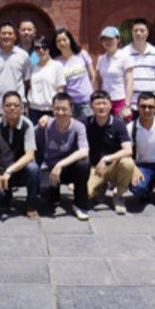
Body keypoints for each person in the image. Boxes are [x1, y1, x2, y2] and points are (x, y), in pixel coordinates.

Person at [36, 93, 91, 221]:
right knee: (44, 190)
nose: (60, 112)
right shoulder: (47, 124)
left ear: (71, 109)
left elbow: (84, 152)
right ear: (52, 109)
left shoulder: (78, 127)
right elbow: (28, 133)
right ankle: (54, 195)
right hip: (50, 167)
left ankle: (79, 205)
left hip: (69, 168)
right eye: (57, 109)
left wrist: (60, 164)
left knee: (84, 165)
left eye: (64, 109)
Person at [0, 92, 41, 220]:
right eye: (8, 105)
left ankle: (31, 204)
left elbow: (29, 155)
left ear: (21, 107)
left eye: (16, 105)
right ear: (3, 108)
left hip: (21, 170)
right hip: (2, 169)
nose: (12, 108)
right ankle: (5, 197)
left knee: (33, 168)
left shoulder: (27, 125)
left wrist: (10, 171)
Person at [85, 90, 135, 215]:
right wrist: (47, 118)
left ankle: (118, 196)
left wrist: (106, 159)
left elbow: (128, 150)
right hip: (94, 168)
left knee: (127, 162)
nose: (101, 107)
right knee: (84, 195)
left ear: (110, 105)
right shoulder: (84, 123)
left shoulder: (118, 124)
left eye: (104, 103)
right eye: (97, 104)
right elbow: (66, 122)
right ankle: (100, 188)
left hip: (113, 166)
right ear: (91, 106)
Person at [0, 21, 32, 122]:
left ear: (15, 36)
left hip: (18, 106)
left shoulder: (23, 56)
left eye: (10, 33)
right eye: (3, 33)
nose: (6, 36)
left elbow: (26, 82)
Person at [123, 18, 155, 121]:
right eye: (135, 30)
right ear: (132, 32)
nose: (138, 33)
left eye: (142, 30)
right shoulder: (124, 53)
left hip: (152, 104)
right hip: (132, 105)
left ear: (147, 32)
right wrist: (126, 105)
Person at [53, 28, 96, 120]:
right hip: (69, 103)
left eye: (64, 40)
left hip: (86, 100)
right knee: (70, 127)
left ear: (70, 40)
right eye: (58, 41)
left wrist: (94, 95)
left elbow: (93, 76)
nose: (62, 43)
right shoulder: (56, 62)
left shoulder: (82, 55)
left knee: (88, 126)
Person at [94, 26, 134, 120]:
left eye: (110, 39)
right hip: (105, 101)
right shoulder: (101, 59)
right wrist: (96, 97)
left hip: (120, 100)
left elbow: (130, 82)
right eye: (104, 39)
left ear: (118, 39)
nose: (107, 42)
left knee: (122, 127)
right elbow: (97, 79)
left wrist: (127, 105)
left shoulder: (125, 57)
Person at [27, 36, 67, 125]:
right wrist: (27, 109)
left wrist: (59, 108)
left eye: (44, 47)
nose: (41, 50)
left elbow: (60, 90)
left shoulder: (57, 66)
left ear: (49, 48)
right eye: (37, 48)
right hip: (34, 109)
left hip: (51, 109)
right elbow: (30, 89)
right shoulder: (32, 68)